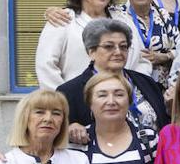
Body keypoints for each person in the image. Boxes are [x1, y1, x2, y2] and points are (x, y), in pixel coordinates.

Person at [54, 19, 168, 149]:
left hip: (155, 161)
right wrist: (69, 128)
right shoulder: (69, 91)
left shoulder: (146, 82)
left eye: (123, 46)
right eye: (109, 46)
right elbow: (57, 134)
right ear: (91, 52)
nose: (118, 52)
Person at [35, 0, 141, 89]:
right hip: (78, 103)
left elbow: (141, 59)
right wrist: (65, 99)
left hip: (125, 100)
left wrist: (135, 89)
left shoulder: (123, 19)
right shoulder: (62, 20)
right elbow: (46, 66)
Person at [121, 0, 176, 87]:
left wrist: (164, 57)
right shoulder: (118, 17)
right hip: (129, 85)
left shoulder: (163, 15)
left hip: (161, 87)